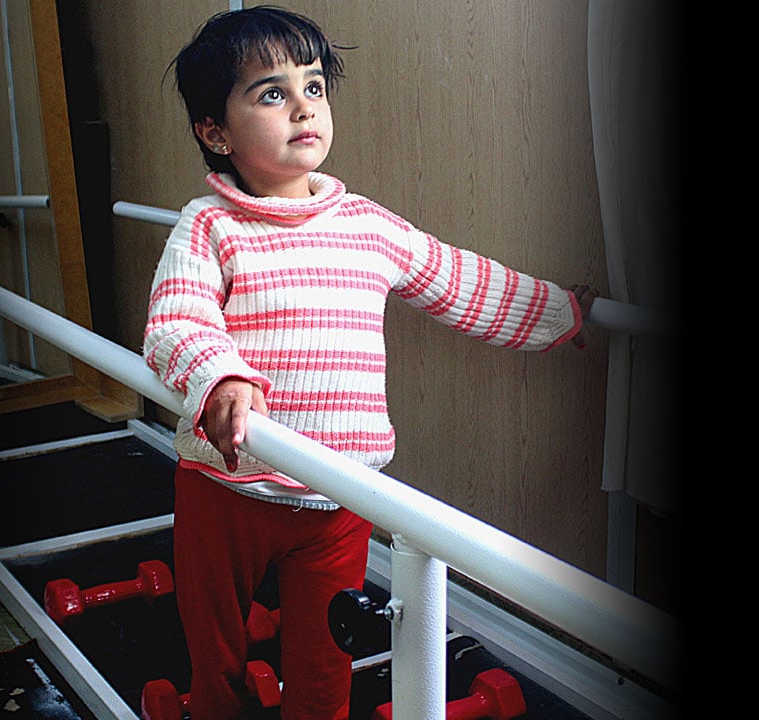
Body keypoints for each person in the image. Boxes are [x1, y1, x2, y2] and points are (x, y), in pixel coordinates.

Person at [142, 6, 598, 720]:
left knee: (326, 658)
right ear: (215, 131)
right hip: (225, 484)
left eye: (314, 87)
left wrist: (565, 315)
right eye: (271, 93)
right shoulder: (209, 225)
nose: (303, 107)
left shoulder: (369, 227)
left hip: (338, 497)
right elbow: (177, 320)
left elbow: (464, 282)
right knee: (215, 646)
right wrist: (221, 376)